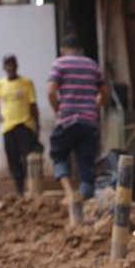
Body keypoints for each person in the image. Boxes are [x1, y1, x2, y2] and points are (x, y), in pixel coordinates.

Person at [47, 35, 107, 203]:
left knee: (59, 156)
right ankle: (84, 199)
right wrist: (94, 107)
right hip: (88, 122)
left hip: (67, 120)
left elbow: (50, 91)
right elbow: (104, 93)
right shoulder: (92, 65)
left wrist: (57, 109)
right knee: (86, 164)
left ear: (62, 50)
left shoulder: (59, 64)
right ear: (81, 50)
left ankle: (69, 193)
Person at [0, 54, 41, 195]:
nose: (10, 67)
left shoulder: (26, 82)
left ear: (16, 66)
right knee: (13, 160)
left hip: (25, 125)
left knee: (27, 158)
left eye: (12, 64)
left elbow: (33, 105)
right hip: (8, 127)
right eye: (8, 65)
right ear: (4, 67)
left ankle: (31, 188)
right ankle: (20, 191)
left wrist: (37, 126)